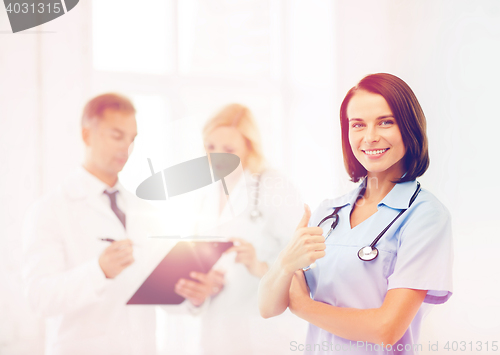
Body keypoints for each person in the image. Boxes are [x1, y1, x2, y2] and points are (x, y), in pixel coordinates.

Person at [258, 73, 453, 354]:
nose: (370, 137)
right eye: (358, 125)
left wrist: (303, 305)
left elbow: (386, 329)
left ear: (409, 127)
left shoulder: (426, 216)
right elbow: (268, 307)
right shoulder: (328, 212)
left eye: (386, 122)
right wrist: (285, 263)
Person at [22, 93, 214, 355]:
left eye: (132, 138)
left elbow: (157, 290)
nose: (126, 147)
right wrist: (99, 271)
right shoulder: (50, 210)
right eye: (116, 135)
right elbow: (39, 298)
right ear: (87, 135)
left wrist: (191, 295)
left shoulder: (144, 209)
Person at [177, 103, 309, 355]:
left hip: (265, 333)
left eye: (228, 149)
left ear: (249, 147)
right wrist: (201, 287)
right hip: (217, 330)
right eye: (210, 146)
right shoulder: (205, 194)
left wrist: (259, 266)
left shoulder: (273, 186)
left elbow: (305, 263)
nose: (217, 157)